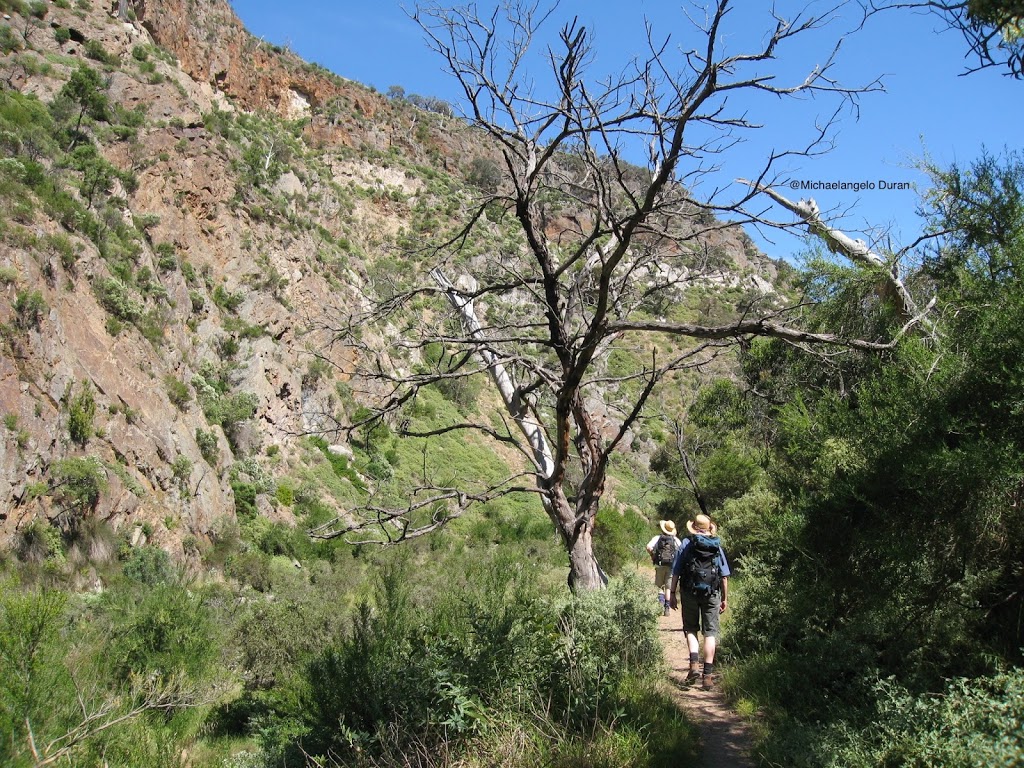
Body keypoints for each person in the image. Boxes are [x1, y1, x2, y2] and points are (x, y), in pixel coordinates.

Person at [670, 514, 731, 691]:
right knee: (710, 632)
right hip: (712, 593)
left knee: (691, 628)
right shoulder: (716, 546)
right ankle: (708, 676)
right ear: (708, 528)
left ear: (694, 527)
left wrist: (672, 593)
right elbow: (724, 576)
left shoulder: (686, 543)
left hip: (689, 591)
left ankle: (694, 664)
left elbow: (676, 571)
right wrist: (724, 598)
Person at [646, 520, 681, 616]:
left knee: (659, 586)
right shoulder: (675, 540)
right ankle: (667, 608)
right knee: (668, 587)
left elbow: (648, 547)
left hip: (659, 564)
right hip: (671, 566)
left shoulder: (657, 538)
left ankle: (659, 605)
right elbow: (681, 550)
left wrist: (653, 555)